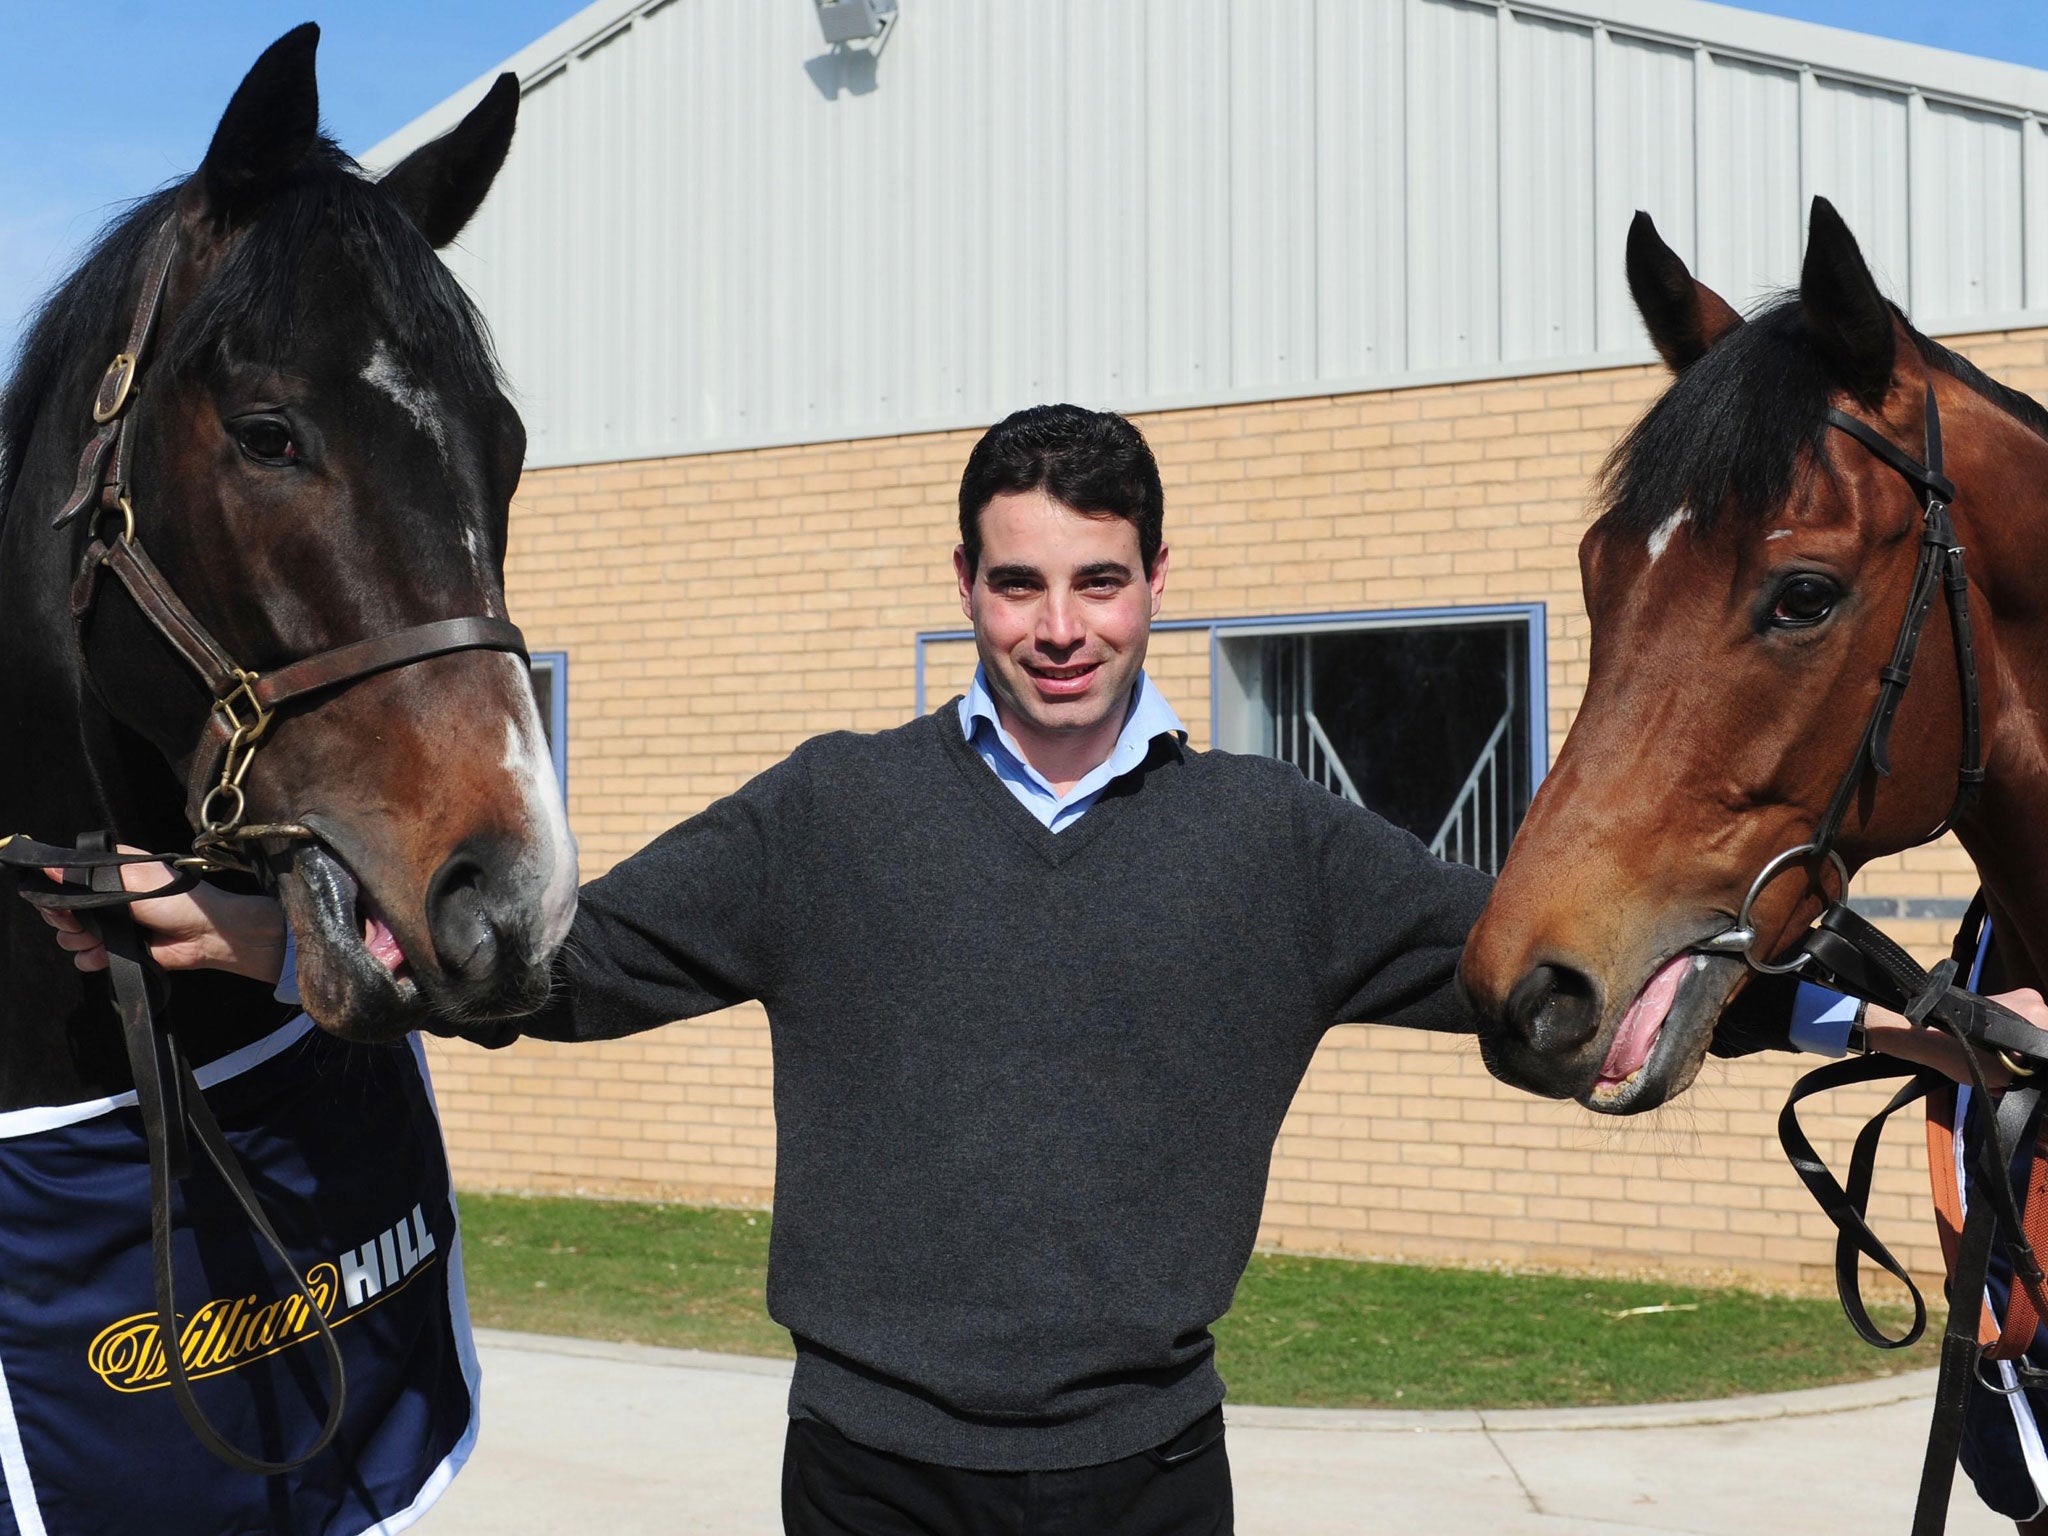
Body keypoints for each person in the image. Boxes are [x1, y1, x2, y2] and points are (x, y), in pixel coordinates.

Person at [45, 403, 2047, 1536]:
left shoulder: (1276, 844)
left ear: (1155, 588)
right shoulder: (826, 816)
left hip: (1148, 1487)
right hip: (866, 1483)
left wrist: (1898, 1011)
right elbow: (566, 974)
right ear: (968, 590)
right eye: (1019, 580)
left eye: (1099, 581)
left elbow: (1533, 971)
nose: (1060, 623)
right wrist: (262, 929)